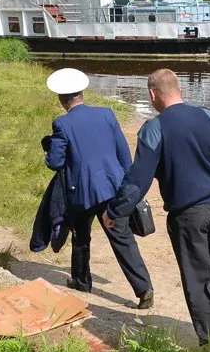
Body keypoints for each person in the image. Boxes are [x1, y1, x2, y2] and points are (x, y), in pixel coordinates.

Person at [103, 69, 210, 344]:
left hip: (189, 213)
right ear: (179, 90)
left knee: (196, 277)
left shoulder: (154, 128)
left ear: (152, 94)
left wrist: (115, 211)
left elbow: (137, 180)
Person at [44, 68, 154, 310]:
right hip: (112, 189)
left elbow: (55, 162)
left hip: (81, 192)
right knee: (123, 239)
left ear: (61, 100)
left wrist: (49, 148)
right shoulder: (106, 114)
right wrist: (127, 187)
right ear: (82, 93)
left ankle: (82, 282)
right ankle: (144, 288)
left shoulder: (61, 123)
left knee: (81, 238)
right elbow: (124, 154)